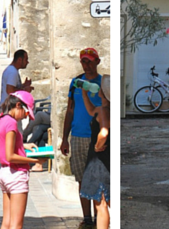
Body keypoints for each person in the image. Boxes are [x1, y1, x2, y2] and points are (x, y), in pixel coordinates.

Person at [60, 48, 103, 229]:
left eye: (90, 61)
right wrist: (64, 138)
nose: (86, 65)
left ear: (97, 62)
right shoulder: (75, 83)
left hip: (96, 138)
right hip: (77, 136)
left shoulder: (103, 83)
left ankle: (100, 217)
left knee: (97, 179)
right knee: (82, 179)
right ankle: (87, 218)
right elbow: (69, 110)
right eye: (83, 61)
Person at [0, 91, 39, 229]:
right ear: (18, 105)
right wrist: (34, 161)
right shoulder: (12, 124)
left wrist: (22, 145)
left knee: (6, 223)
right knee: (16, 225)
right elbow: (10, 156)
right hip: (16, 175)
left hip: (4, 174)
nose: (25, 117)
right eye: (26, 113)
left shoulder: (0, 120)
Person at [80, 75, 110, 229]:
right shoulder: (102, 109)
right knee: (108, 200)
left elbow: (103, 132)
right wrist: (84, 93)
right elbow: (91, 110)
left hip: (100, 160)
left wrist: (98, 145)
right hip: (106, 158)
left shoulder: (104, 111)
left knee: (101, 203)